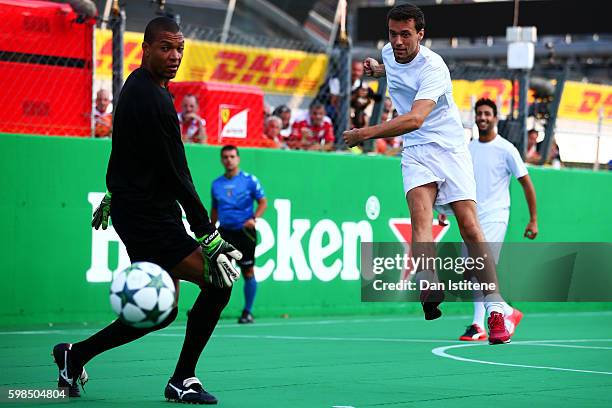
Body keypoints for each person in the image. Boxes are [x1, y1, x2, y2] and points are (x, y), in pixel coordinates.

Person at [52, 17, 242, 404]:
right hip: (147, 217)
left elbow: (130, 154)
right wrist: (207, 233)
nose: (174, 57)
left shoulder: (141, 87)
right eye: (166, 48)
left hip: (144, 210)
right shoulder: (152, 98)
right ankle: (182, 379)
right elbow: (177, 173)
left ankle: (75, 355)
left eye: (179, 50)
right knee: (220, 281)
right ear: (146, 48)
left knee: (162, 310)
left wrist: (114, 193)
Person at [343, 3, 512, 344]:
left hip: (450, 148)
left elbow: (415, 118)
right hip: (417, 151)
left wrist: (364, 134)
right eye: (393, 34)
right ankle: (428, 282)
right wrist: (376, 68)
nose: (399, 41)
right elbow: (389, 67)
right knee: (420, 217)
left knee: (469, 226)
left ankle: (495, 310)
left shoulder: (434, 67)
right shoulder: (389, 53)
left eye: (406, 34)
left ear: (421, 34)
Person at [439, 98, 537, 341]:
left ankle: (479, 323)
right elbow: (459, 183)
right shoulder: (468, 148)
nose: (482, 118)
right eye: (479, 114)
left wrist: (533, 220)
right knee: (470, 272)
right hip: (471, 218)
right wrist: (446, 209)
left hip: (496, 216)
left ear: (495, 118)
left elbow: (526, 184)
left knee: (478, 267)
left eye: (487, 114)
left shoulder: (507, 149)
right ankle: (504, 312)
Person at [211, 146, 267, 324]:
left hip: (245, 233)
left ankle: (247, 312)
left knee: (248, 271)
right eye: (225, 157)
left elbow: (263, 202)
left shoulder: (249, 180)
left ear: (238, 159)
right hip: (225, 232)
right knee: (219, 273)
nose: (229, 160)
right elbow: (214, 209)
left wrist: (254, 218)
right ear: (221, 160)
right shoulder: (216, 184)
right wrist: (211, 229)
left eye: (232, 156)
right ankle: (210, 310)